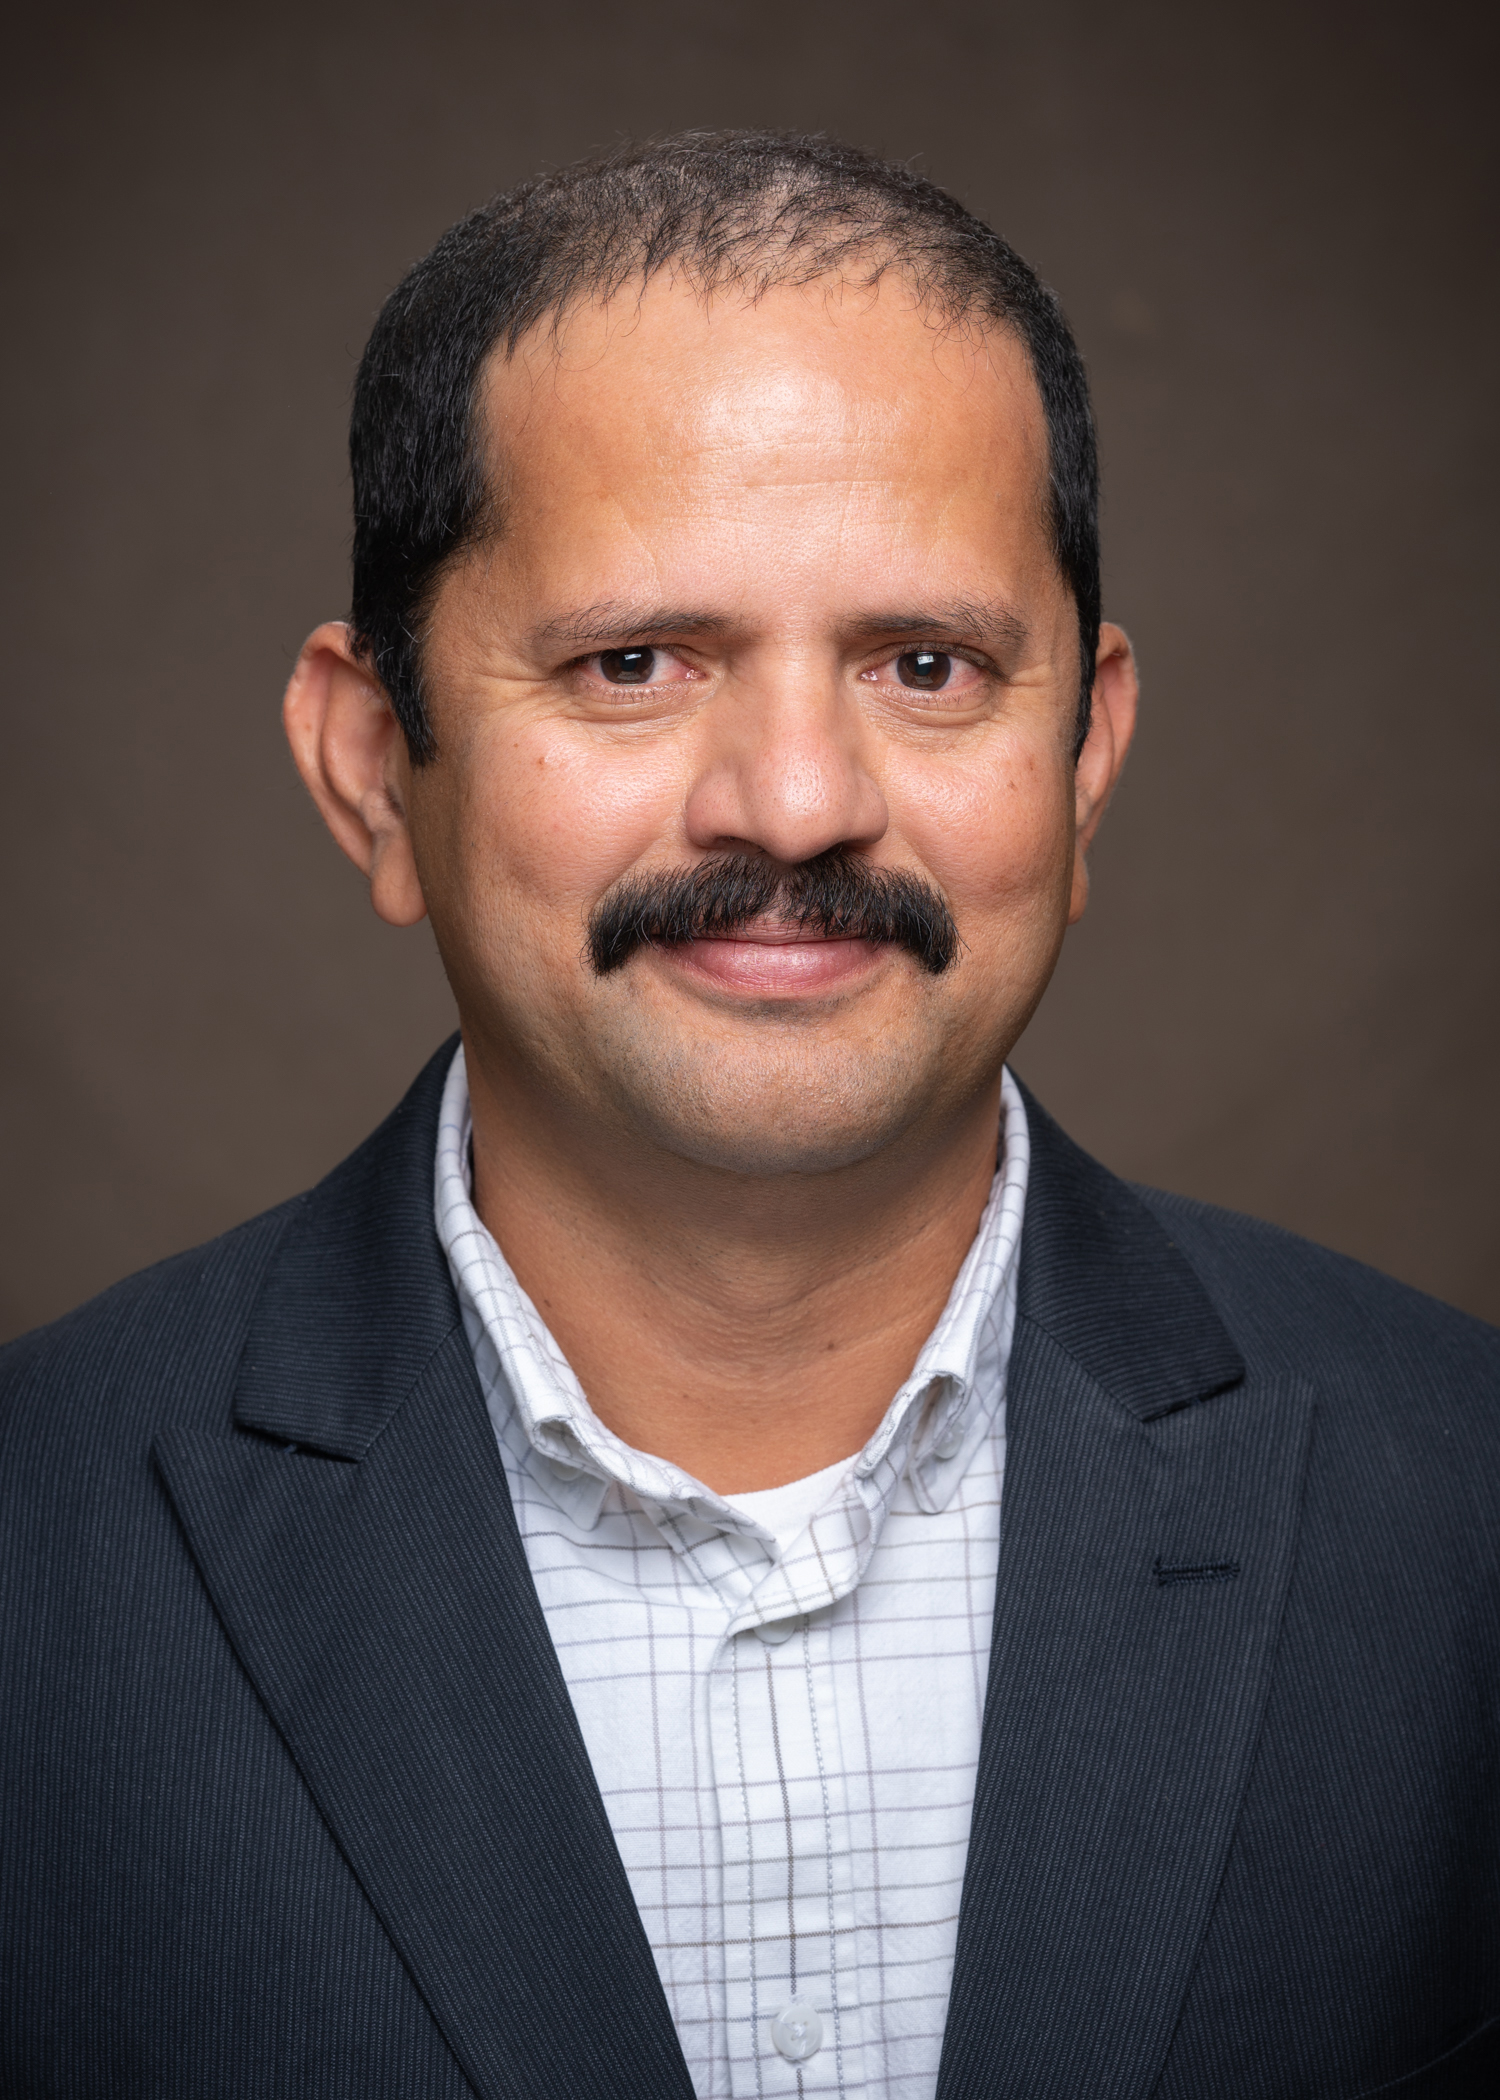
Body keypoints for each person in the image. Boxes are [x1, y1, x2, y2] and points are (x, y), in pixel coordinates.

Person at [1, 131, 1495, 2100]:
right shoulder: (40, 1558)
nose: (796, 801)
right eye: (634, 664)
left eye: (926, 665)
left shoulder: (1464, 1513)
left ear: (1086, 752)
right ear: (374, 766)